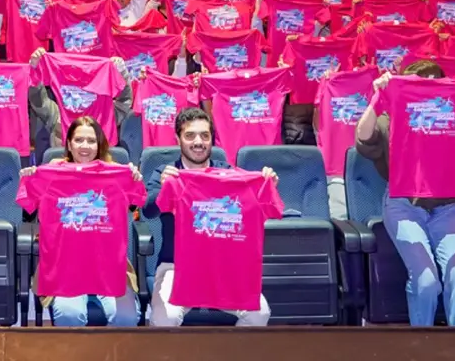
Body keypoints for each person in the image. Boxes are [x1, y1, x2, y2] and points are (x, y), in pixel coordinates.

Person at [354, 59, 455, 327]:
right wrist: (378, 99)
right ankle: (422, 344)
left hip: (447, 207)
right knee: (425, 281)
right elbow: (364, 141)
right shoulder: (392, 119)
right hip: (403, 206)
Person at [145, 107, 276, 326]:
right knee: (165, 318)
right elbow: (148, 210)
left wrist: (265, 185)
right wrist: (163, 189)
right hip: (176, 267)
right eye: (190, 136)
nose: (198, 142)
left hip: (224, 267)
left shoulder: (230, 174)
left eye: (205, 136)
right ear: (178, 139)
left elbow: (259, 209)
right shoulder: (166, 173)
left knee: (259, 313)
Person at [21, 116, 141, 327]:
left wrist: (133, 179)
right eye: (79, 140)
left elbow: (134, 205)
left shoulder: (116, 174)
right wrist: (31, 179)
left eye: (91, 140)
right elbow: (28, 212)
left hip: (109, 267)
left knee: (126, 317)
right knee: (70, 316)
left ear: (99, 144)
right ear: (68, 144)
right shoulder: (51, 173)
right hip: (64, 268)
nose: (85, 146)